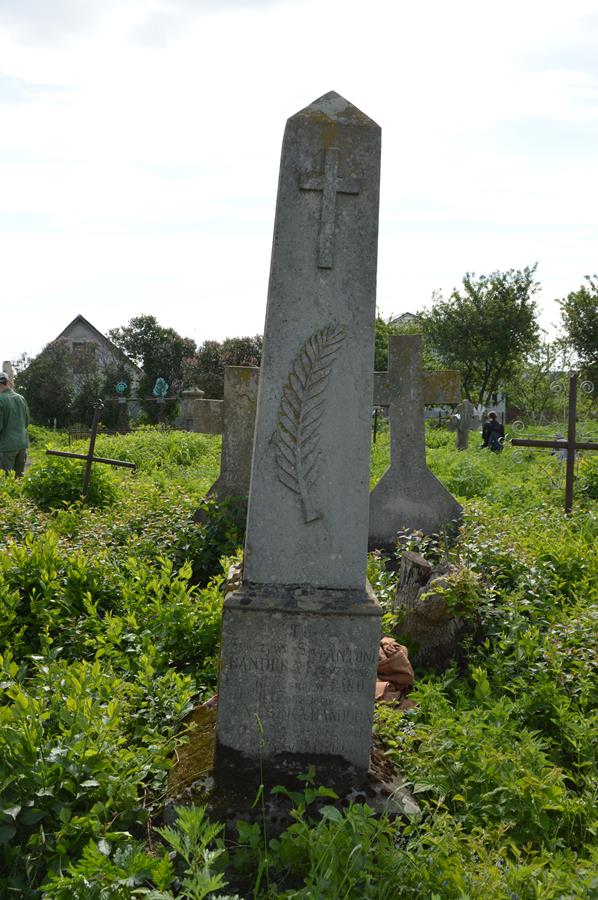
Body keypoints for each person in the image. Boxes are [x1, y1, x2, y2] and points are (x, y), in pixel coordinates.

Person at [0, 371, 30, 477]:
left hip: (6, 447)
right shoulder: (21, 398)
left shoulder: (1, 400)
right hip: (22, 444)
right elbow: (26, 422)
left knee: (4, 481)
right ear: (8, 382)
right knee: (18, 480)